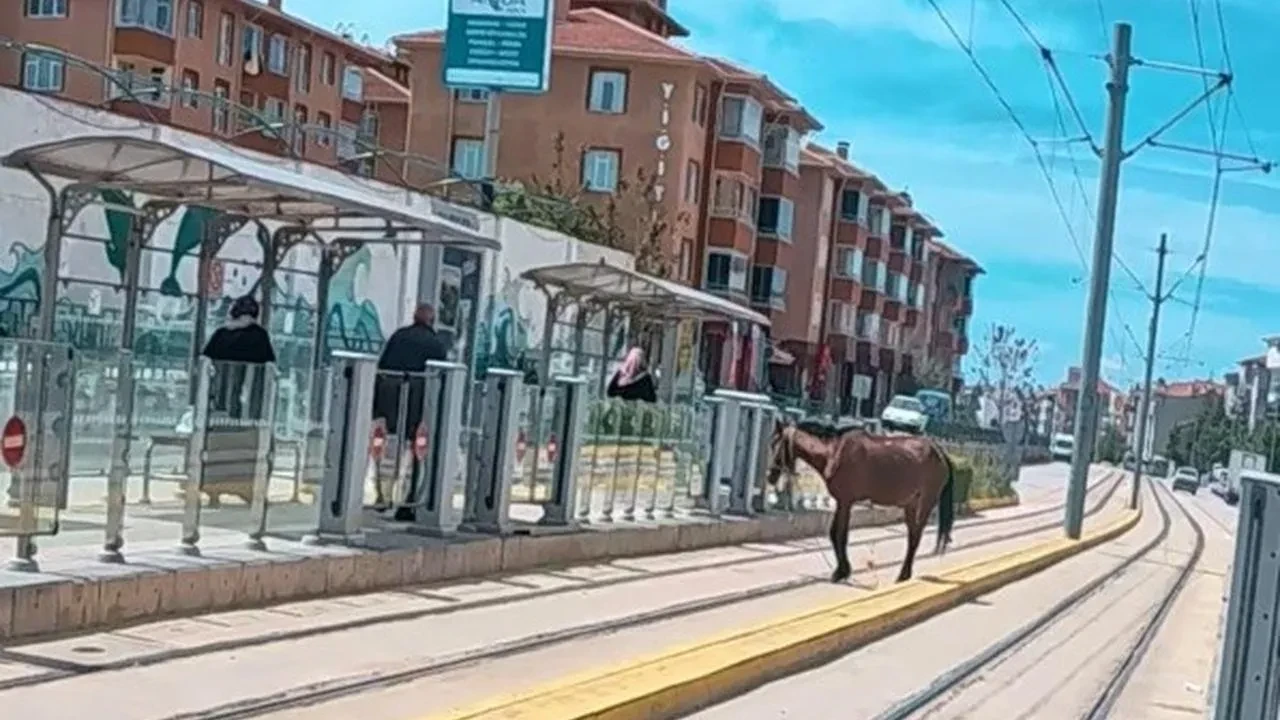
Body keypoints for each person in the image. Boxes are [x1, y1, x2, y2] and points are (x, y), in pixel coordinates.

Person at [373, 304, 451, 520]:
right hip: (418, 406)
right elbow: (441, 376)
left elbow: (382, 366)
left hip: (389, 403)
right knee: (417, 453)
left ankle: (382, 495)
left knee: (385, 450)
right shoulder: (436, 344)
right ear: (432, 320)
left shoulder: (399, 336)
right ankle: (407, 502)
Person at [202, 295, 276, 419]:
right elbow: (269, 361)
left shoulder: (221, 333)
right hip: (249, 393)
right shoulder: (259, 335)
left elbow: (206, 357)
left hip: (221, 391)